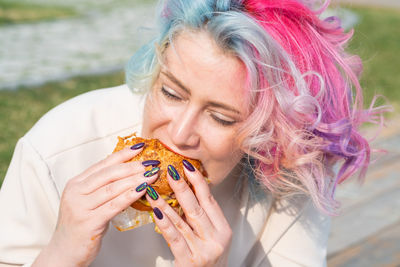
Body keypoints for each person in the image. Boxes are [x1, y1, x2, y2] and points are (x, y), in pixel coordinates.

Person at [0, 0, 388, 266]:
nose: (180, 133)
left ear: (271, 131)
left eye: (220, 117)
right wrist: (61, 252)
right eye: (170, 92)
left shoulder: (293, 175)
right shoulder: (58, 146)